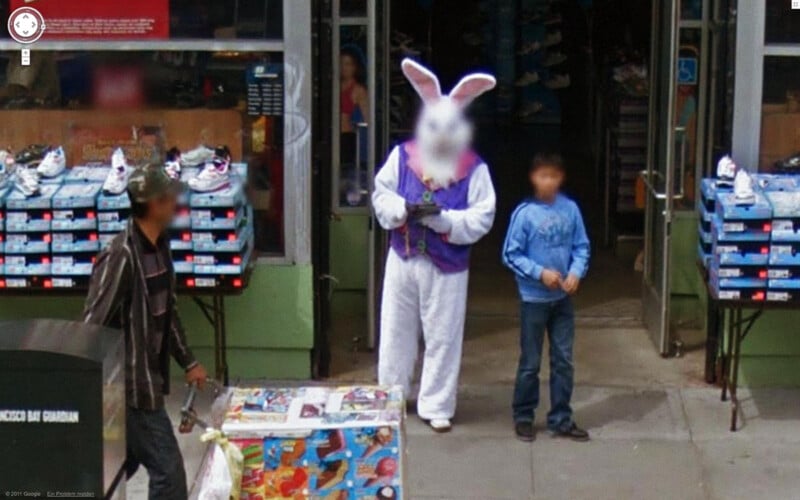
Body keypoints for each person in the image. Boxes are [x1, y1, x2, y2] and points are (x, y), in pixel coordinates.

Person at [374, 58, 496, 433]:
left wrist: (446, 222)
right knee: (396, 329)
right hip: (403, 256)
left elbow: (483, 215)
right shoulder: (402, 157)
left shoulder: (474, 169)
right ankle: (391, 395)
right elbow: (381, 194)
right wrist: (400, 210)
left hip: (447, 264)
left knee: (443, 334)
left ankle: (436, 402)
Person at [83, 165, 208, 499]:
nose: (176, 203)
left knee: (117, 467)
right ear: (155, 203)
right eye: (170, 197)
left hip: (147, 380)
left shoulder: (160, 246)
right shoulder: (121, 255)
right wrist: (99, 385)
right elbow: (93, 323)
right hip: (131, 388)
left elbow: (168, 312)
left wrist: (189, 362)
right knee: (168, 473)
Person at [502, 152, 591, 442]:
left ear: (561, 178)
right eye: (543, 176)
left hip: (563, 299)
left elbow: (581, 247)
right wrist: (540, 274)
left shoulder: (571, 210)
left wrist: (576, 272)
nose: (548, 182)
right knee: (530, 361)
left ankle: (561, 417)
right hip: (533, 300)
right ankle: (524, 415)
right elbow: (510, 254)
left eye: (553, 176)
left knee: (563, 359)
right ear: (533, 178)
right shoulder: (525, 214)